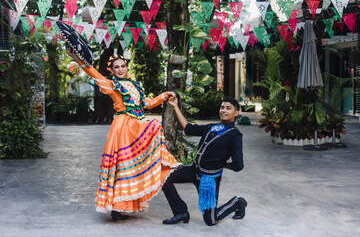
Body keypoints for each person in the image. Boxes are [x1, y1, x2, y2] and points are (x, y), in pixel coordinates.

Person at [66, 48, 180, 221]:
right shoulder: (112, 85)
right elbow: (94, 73)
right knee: (121, 166)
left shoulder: (135, 85)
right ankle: (116, 208)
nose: (120, 69)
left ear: (127, 67)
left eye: (122, 66)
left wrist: (164, 96)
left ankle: (120, 207)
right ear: (111, 70)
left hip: (136, 125)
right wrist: (75, 57)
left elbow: (147, 104)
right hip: (123, 128)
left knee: (130, 167)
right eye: (116, 67)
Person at [162, 96, 247, 226]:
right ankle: (180, 212)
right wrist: (175, 106)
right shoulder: (212, 127)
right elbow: (188, 128)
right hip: (193, 170)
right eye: (222, 107)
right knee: (164, 177)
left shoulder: (235, 135)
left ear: (236, 113)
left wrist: (222, 164)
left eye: (228, 108)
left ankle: (238, 202)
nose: (223, 110)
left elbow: (238, 165)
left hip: (209, 180)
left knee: (211, 220)